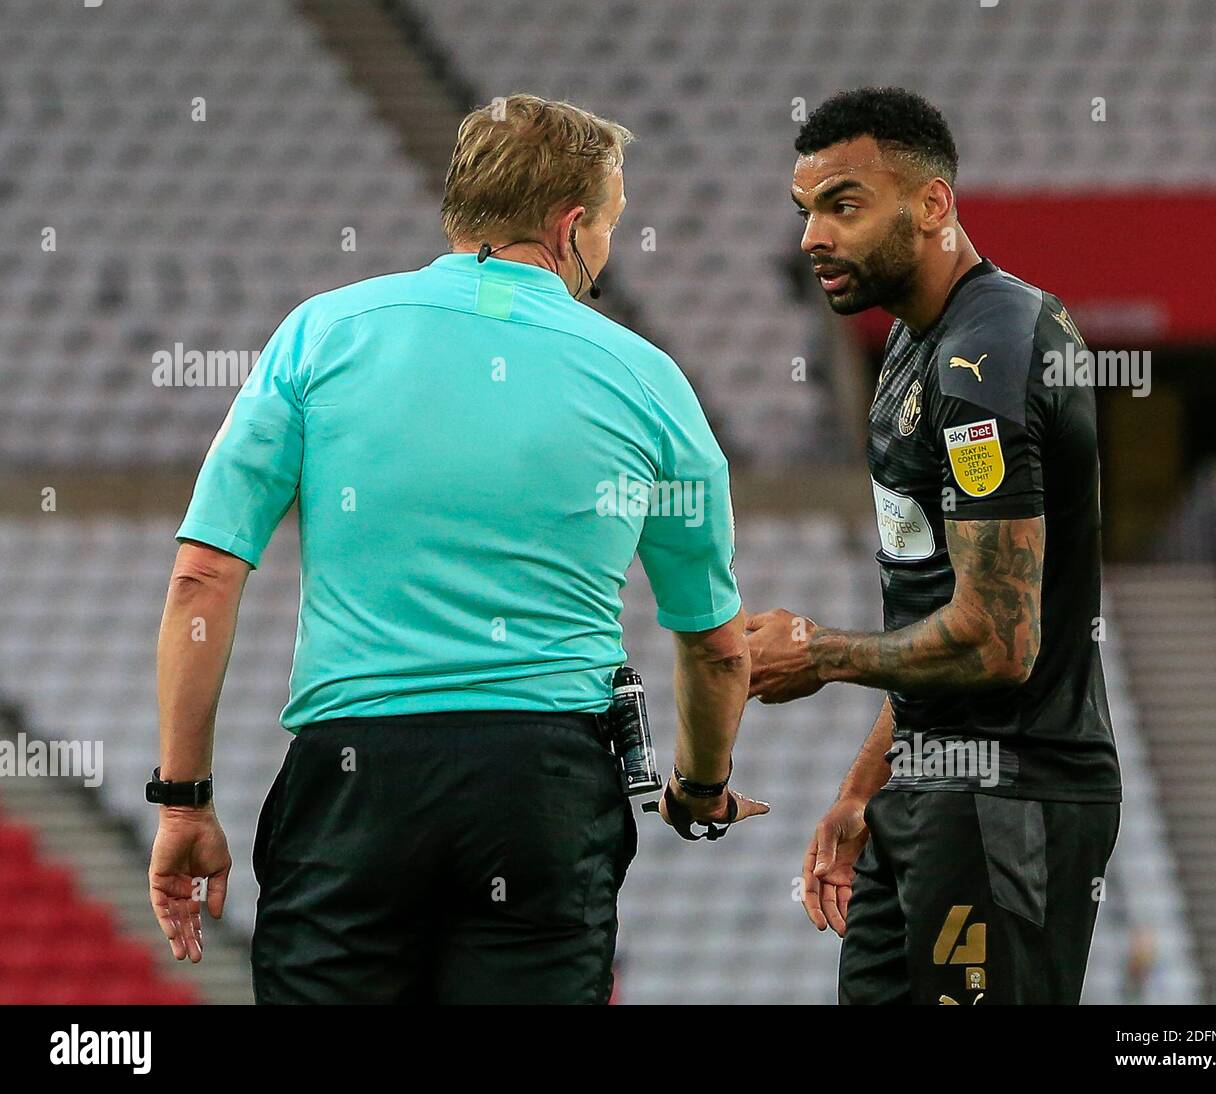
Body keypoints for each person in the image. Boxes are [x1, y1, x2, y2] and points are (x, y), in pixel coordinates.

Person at [148, 93, 764, 1005]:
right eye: (610, 226)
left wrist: (185, 800)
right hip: (542, 788)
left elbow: (202, 578)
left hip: (354, 781)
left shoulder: (320, 335)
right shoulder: (648, 379)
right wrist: (699, 788)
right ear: (570, 226)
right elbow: (715, 645)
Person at [746, 87, 1122, 1005]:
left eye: (843, 205)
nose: (812, 240)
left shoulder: (990, 353)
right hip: (931, 790)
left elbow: (996, 640)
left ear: (931, 204)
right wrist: (863, 787)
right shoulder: (917, 352)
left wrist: (822, 653)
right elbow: (932, 610)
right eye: (806, 213)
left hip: (1010, 798)